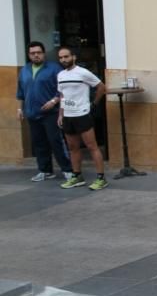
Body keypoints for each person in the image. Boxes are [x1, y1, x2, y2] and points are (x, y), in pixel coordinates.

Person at [16, 42, 72, 182]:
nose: (36, 55)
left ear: (43, 53)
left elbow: (64, 89)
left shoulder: (54, 68)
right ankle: (45, 171)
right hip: (32, 113)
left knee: (56, 142)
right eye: (32, 53)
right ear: (29, 55)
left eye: (38, 52)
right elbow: (21, 92)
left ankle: (67, 170)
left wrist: (54, 101)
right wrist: (19, 108)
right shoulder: (24, 70)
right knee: (39, 143)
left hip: (51, 113)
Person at [56, 46, 108, 190]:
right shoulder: (60, 75)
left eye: (66, 56)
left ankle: (101, 178)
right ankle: (77, 176)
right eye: (60, 57)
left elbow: (101, 87)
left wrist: (93, 104)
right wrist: (60, 114)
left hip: (82, 114)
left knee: (92, 147)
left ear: (73, 57)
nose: (63, 60)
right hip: (68, 116)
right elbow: (62, 96)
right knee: (73, 148)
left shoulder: (83, 73)